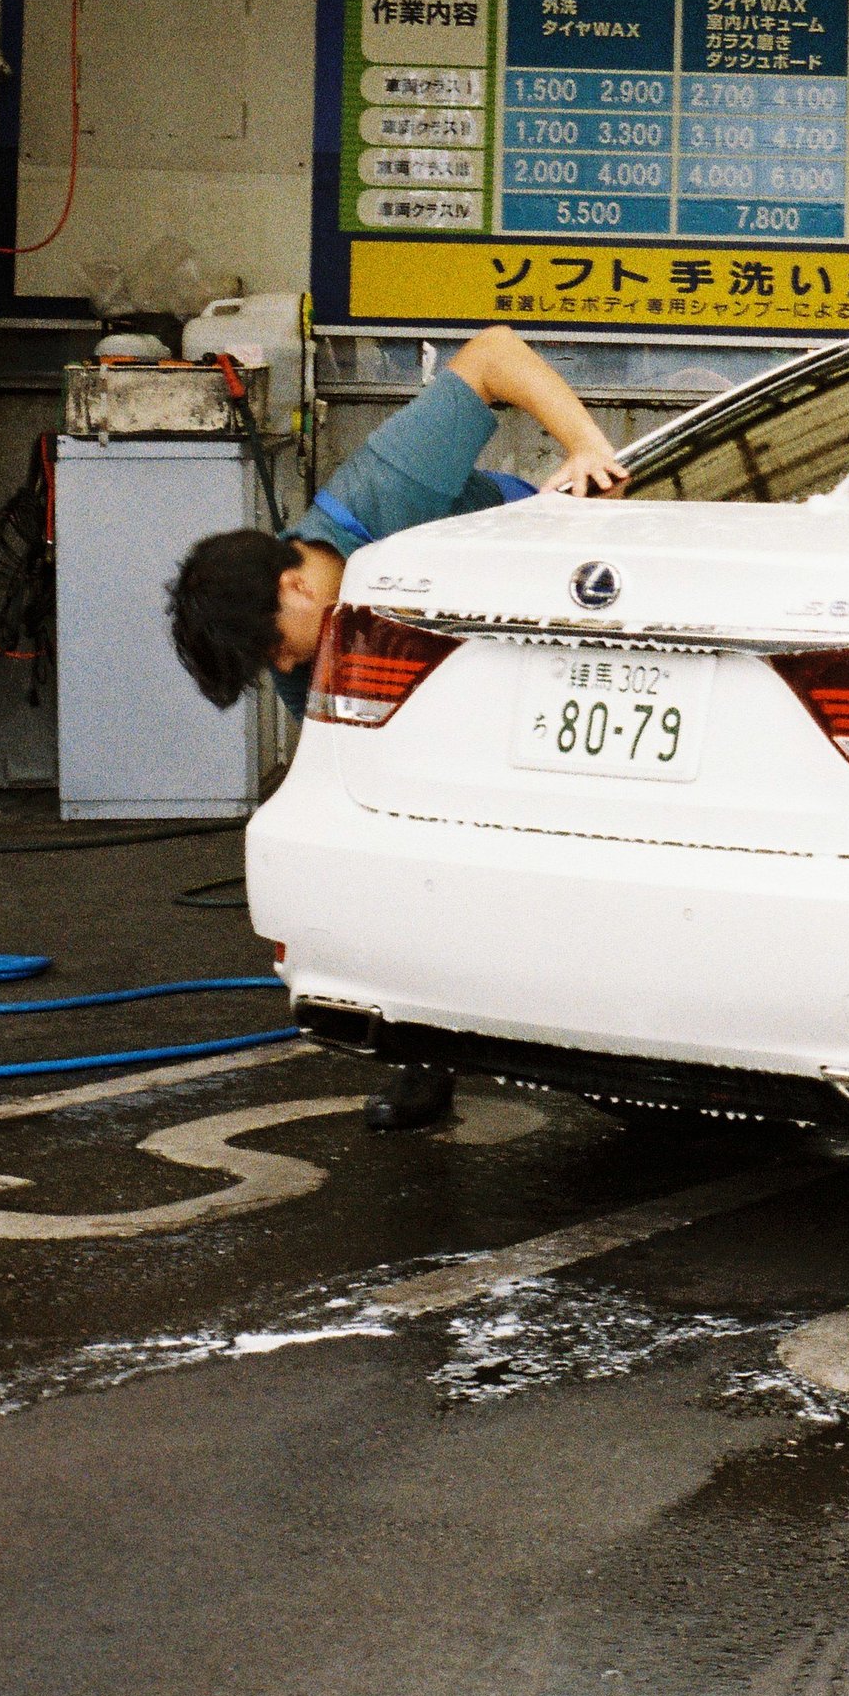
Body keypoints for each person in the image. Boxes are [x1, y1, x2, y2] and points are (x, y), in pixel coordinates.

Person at [168, 327, 630, 1132]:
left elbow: (493, 355)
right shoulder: (298, 655)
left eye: (275, 645)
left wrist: (590, 449)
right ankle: (426, 1050)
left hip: (557, 621)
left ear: (294, 583)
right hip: (452, 694)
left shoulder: (382, 493)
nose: (280, 666)